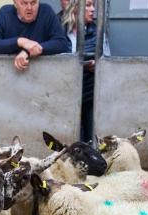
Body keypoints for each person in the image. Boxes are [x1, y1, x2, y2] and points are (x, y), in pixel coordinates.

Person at [0, 0, 70, 71]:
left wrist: (29, 51)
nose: (29, 8)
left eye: (33, 3)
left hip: (41, 75)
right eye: (24, 3)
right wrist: (20, 41)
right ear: (15, 3)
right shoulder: (5, 13)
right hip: (6, 74)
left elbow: (62, 43)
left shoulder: (46, 11)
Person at [61, 0, 95, 141]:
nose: (92, 9)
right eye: (88, 5)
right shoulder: (59, 29)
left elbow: (106, 58)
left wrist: (97, 65)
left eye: (93, 5)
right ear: (76, 7)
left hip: (90, 94)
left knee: (91, 137)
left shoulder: (97, 31)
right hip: (64, 93)